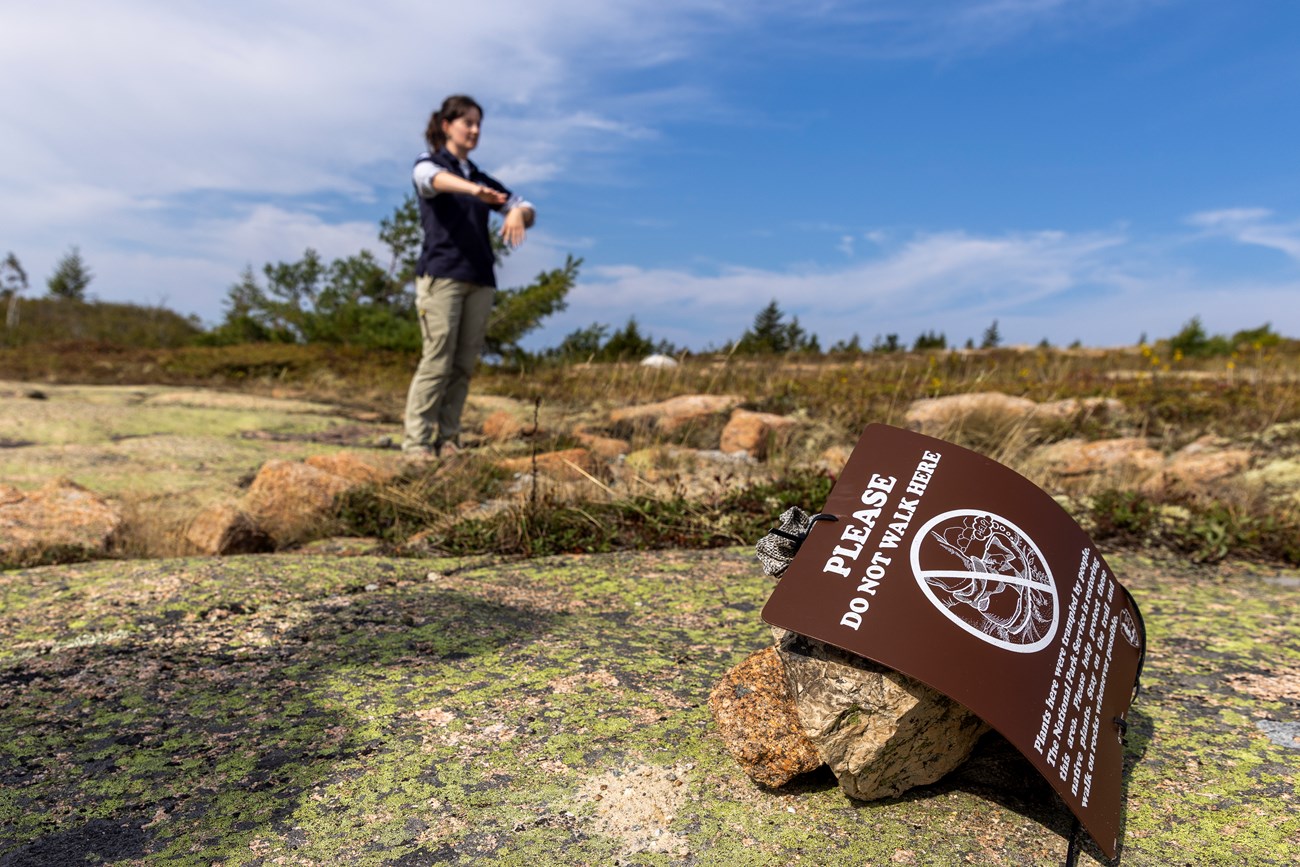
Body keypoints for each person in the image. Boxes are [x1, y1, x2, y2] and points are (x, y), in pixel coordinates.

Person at [402, 94, 535, 458]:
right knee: (437, 359)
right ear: (447, 126)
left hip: (480, 278)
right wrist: (473, 190)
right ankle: (416, 444)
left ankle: (448, 440)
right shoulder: (432, 163)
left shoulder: (478, 174)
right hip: (441, 275)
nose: (475, 131)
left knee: (462, 365)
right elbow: (429, 180)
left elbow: (523, 204)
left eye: (479, 124)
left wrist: (516, 213)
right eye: (468, 123)